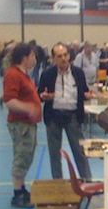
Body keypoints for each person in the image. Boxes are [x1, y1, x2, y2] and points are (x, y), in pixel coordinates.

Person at [38, 43, 93, 180]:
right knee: (54, 154)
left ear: (69, 56)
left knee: (79, 152)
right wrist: (44, 96)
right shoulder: (47, 74)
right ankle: (58, 183)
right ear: (53, 58)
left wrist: (87, 96)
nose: (63, 58)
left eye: (65, 55)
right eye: (59, 56)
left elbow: (84, 91)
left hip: (73, 117)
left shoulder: (78, 73)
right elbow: (40, 94)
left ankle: (87, 181)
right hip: (53, 117)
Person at [3, 43, 42, 208]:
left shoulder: (24, 74)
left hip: (28, 124)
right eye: (32, 56)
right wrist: (28, 108)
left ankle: (22, 188)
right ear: (24, 58)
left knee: (26, 157)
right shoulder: (13, 75)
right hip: (21, 125)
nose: (34, 59)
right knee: (21, 158)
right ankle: (17, 194)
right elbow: (10, 101)